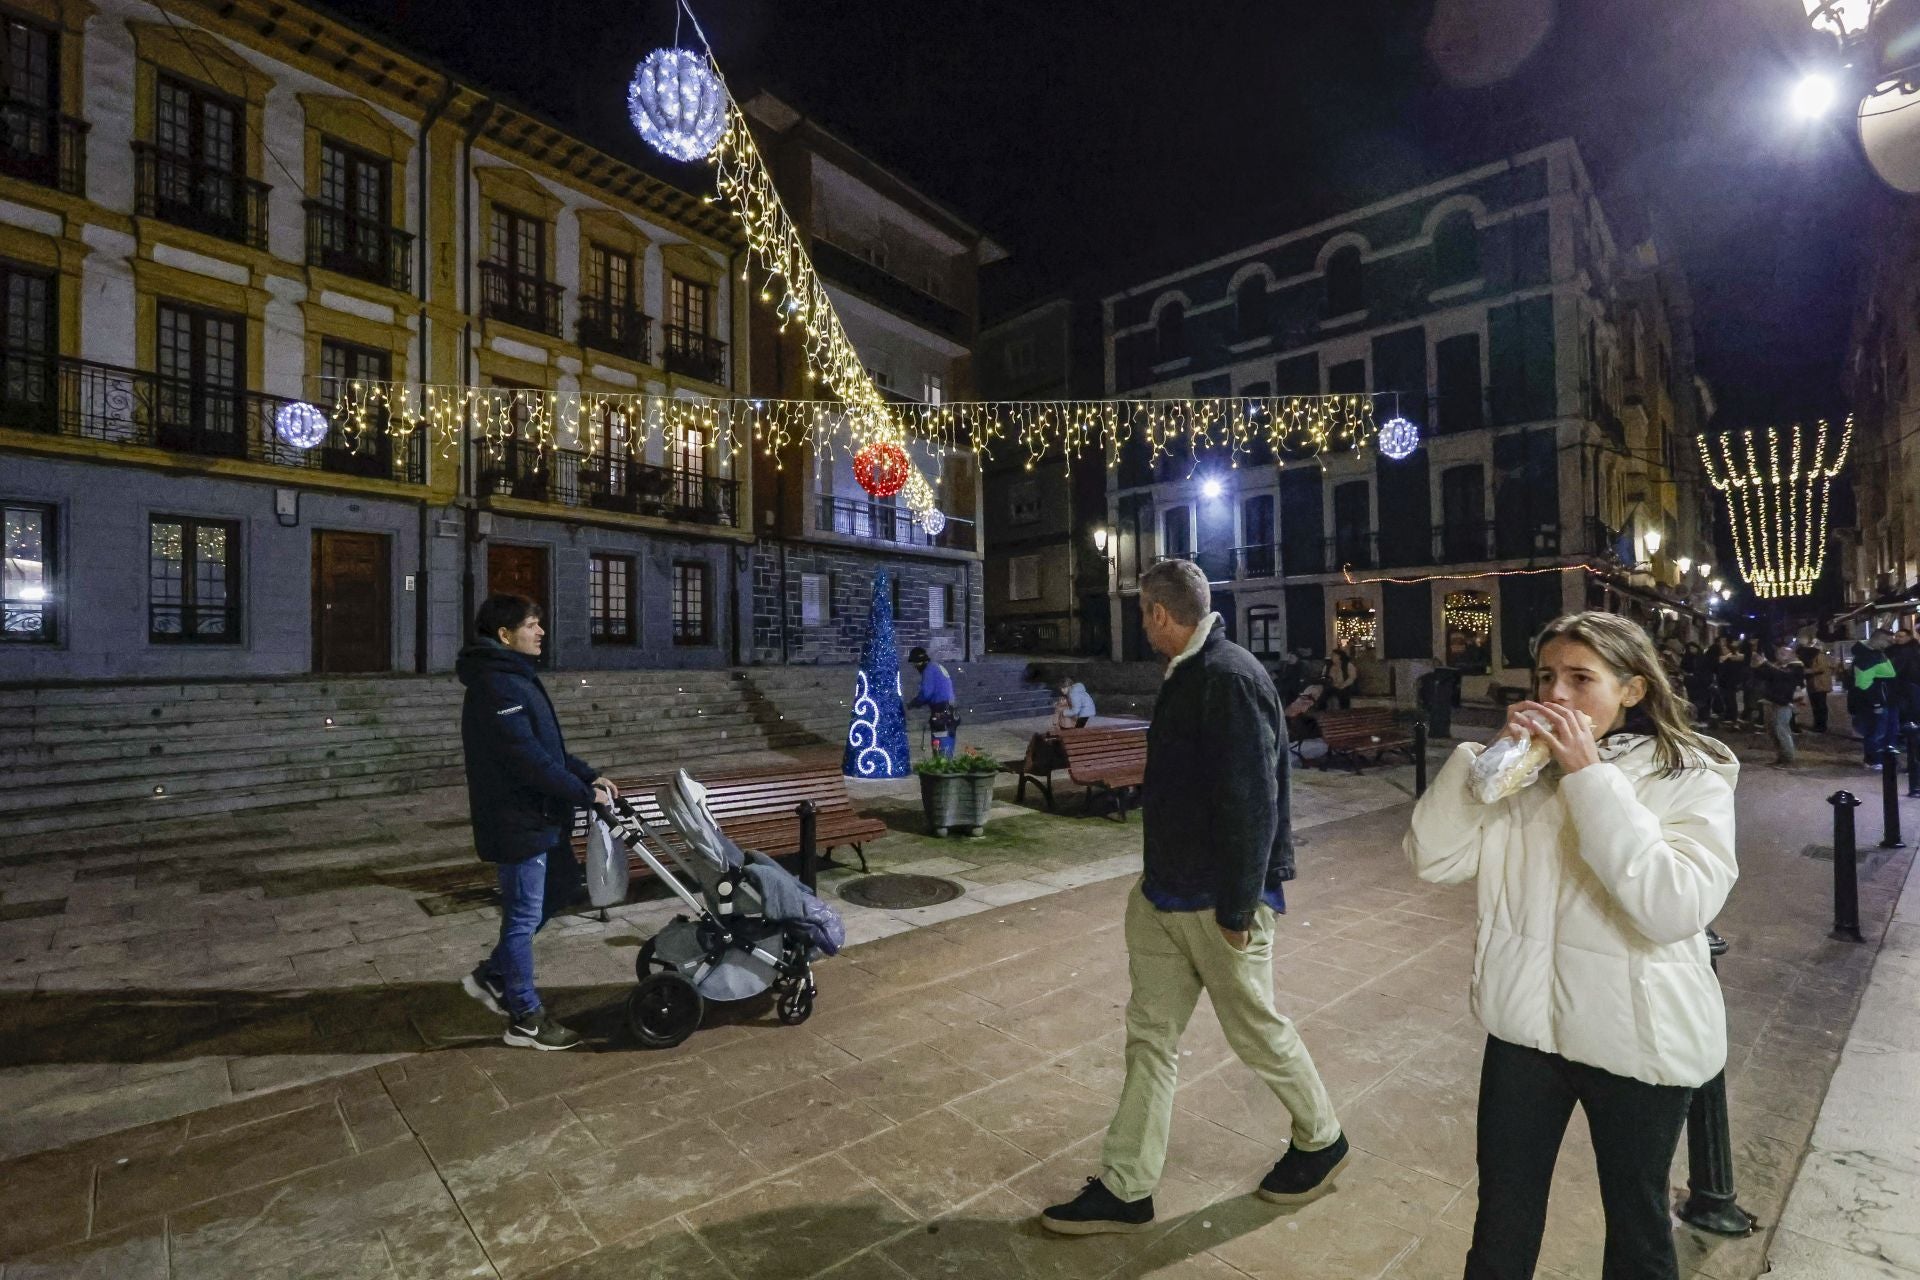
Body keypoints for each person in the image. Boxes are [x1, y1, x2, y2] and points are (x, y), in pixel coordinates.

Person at [1406, 611, 1738, 1280]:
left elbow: (1672, 904)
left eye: (1581, 679)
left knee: (1638, 1229)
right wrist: (1483, 765)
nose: (1556, 696)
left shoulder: (1690, 775)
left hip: (1634, 1037)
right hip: (1527, 1030)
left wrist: (1590, 777)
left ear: (1633, 690)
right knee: (1501, 1216)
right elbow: (1432, 860)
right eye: (1546, 677)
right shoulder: (1521, 779)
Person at [1042, 559, 1346, 1236]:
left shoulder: (1227, 677)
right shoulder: (1195, 673)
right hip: (1167, 896)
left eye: (1143, 615)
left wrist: (1240, 908)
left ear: (1157, 612)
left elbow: (1253, 801)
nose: (1143, 627)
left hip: (1216, 903)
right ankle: (1127, 1185)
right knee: (1150, 1038)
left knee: (1256, 1031)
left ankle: (1321, 1139)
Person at [456, 594, 619, 1051]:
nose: (540, 631)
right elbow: (526, 760)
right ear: (505, 635)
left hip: (540, 817)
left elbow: (546, 748)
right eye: (531, 625)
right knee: (524, 914)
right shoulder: (496, 686)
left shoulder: (515, 678)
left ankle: (493, 975)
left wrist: (585, 772)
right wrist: (583, 793)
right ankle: (525, 1016)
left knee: (561, 888)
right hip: (516, 820)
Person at [1851, 637, 1899, 768]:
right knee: (1877, 731)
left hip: (1887, 699)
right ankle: (1873, 759)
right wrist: (1876, 702)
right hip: (1879, 700)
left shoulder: (1876, 654)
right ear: (1878, 641)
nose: (1890, 642)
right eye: (1887, 640)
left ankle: (1881, 758)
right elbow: (1863, 684)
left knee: (1885, 730)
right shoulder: (1868, 657)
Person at [906, 645, 958, 756]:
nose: (915, 667)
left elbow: (926, 693)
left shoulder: (928, 670)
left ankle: (942, 767)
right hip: (950, 711)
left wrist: (914, 703)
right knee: (947, 740)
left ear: (919, 662)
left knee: (940, 743)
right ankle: (946, 764)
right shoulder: (936, 667)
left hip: (941, 712)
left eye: (915, 664)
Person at [1759, 646, 1806, 767]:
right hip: (1773, 701)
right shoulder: (1779, 666)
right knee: (1773, 731)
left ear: (1792, 654)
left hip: (1784, 702)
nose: (1780, 655)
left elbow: (1784, 676)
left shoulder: (1796, 667)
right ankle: (1780, 757)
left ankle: (1788, 760)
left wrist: (1766, 664)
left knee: (1782, 730)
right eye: (1779, 652)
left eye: (1784, 653)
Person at [1803, 642, 1833, 734]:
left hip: (1819, 684)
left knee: (1820, 706)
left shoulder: (1820, 656)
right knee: (1816, 706)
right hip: (1815, 684)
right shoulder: (1815, 656)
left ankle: (1821, 726)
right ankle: (1818, 724)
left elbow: (1821, 668)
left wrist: (1807, 671)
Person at [1324, 644, 1358, 710]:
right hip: (1331, 686)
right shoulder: (1328, 666)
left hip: (1345, 686)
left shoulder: (1348, 665)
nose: (1332, 657)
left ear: (1339, 656)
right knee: (1324, 693)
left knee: (1343, 694)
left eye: (1334, 655)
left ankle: (1344, 711)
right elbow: (1324, 676)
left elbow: (1352, 678)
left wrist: (1343, 685)